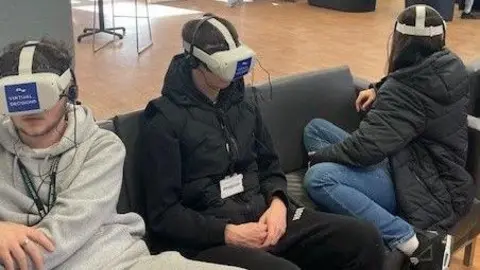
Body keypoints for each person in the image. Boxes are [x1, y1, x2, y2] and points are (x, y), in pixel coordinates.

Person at [139, 13, 384, 270]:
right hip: (210, 240)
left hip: (264, 216)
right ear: (195, 63)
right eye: (224, 65)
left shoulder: (243, 103)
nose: (233, 74)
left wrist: (278, 203)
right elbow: (163, 215)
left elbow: (271, 166)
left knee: (364, 238)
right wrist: (228, 233)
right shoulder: (163, 120)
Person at [0, 39, 245, 270]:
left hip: (121, 261)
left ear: (70, 93)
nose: (31, 108)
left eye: (41, 94)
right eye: (16, 97)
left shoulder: (102, 147)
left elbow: (62, 235)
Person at [303, 5, 474, 270]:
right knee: (315, 128)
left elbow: (365, 149)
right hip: (429, 169)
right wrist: (380, 88)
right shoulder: (452, 68)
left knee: (319, 177)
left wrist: (317, 158)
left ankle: (414, 241)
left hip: (418, 186)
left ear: (400, 42)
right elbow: (418, 84)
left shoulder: (403, 91)